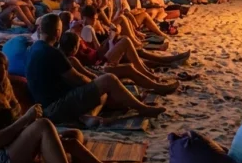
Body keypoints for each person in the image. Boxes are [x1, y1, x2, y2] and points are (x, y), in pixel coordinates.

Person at [26, 14, 166, 127]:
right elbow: (77, 79)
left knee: (103, 90)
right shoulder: (52, 53)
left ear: (40, 30)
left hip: (47, 104)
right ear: (58, 32)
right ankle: (142, 108)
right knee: (108, 80)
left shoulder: (34, 48)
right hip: (54, 107)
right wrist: (95, 82)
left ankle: (88, 117)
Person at [60, 30, 179, 95]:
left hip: (98, 65)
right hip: (99, 68)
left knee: (131, 56)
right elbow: (86, 73)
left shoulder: (70, 54)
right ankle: (156, 85)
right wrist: (101, 70)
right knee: (129, 66)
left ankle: (154, 75)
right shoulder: (72, 59)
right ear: (75, 47)